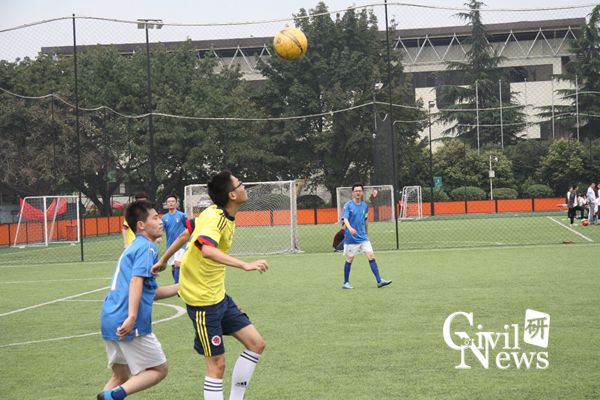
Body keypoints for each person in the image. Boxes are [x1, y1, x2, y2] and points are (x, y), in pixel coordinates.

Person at [172, 171, 268, 400]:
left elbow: (187, 232)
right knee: (217, 364)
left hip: (219, 297)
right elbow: (207, 250)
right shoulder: (216, 219)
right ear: (232, 195)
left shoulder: (213, 212)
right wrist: (245, 265)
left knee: (256, 344)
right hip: (203, 302)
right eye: (240, 184)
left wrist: (163, 260)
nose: (244, 187)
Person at [97, 200, 179, 400]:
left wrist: (184, 287)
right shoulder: (147, 248)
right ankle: (114, 396)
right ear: (141, 225)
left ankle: (110, 396)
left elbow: (151, 292)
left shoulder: (134, 247)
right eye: (155, 218)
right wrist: (132, 317)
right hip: (127, 320)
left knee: (120, 376)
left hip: (110, 317)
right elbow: (136, 280)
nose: (160, 221)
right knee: (159, 369)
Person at [341, 183, 391, 289]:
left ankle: (379, 281)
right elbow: (345, 219)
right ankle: (346, 282)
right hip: (351, 238)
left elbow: (365, 220)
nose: (358, 193)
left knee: (371, 256)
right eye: (356, 191)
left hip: (363, 237)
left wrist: (367, 234)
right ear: (353, 193)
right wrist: (350, 229)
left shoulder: (365, 206)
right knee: (350, 259)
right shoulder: (348, 205)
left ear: (362, 192)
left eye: (360, 191)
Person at [161, 194, 188, 283]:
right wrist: (159, 237)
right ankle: (178, 282)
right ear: (166, 204)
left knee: (177, 263)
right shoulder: (164, 218)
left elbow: (188, 227)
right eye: (169, 202)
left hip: (181, 245)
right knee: (173, 266)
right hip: (170, 245)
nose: (171, 203)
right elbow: (161, 229)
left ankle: (177, 285)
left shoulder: (182, 215)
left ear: (176, 203)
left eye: (173, 201)